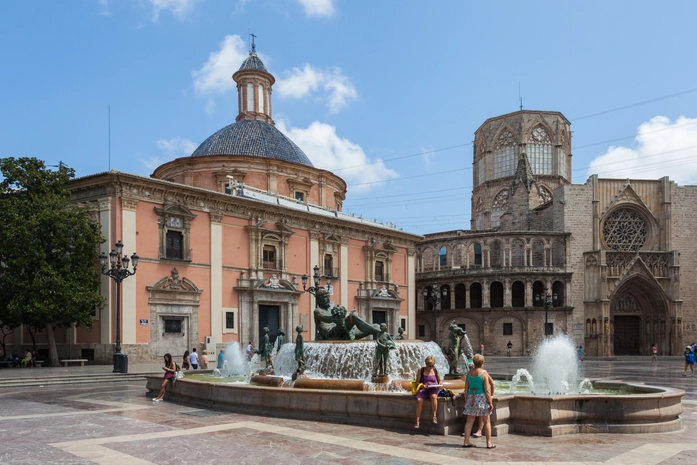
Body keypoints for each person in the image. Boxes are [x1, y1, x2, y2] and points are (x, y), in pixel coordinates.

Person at [462, 354, 495, 449]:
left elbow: (466, 389)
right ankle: (489, 443)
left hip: (471, 397)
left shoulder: (469, 373)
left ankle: (466, 441)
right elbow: (487, 389)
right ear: (482, 363)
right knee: (487, 421)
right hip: (481, 398)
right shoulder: (484, 373)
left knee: (469, 421)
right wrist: (490, 401)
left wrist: (466, 401)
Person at [414, 355, 442, 429]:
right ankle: (417, 420)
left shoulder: (435, 370)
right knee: (419, 400)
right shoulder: (421, 370)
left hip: (433, 388)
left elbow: (440, 380)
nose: (430, 367)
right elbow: (417, 382)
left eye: (432, 366)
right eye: (428, 366)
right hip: (424, 388)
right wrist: (422, 385)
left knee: (433, 397)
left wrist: (439, 384)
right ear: (426, 364)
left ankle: (434, 416)